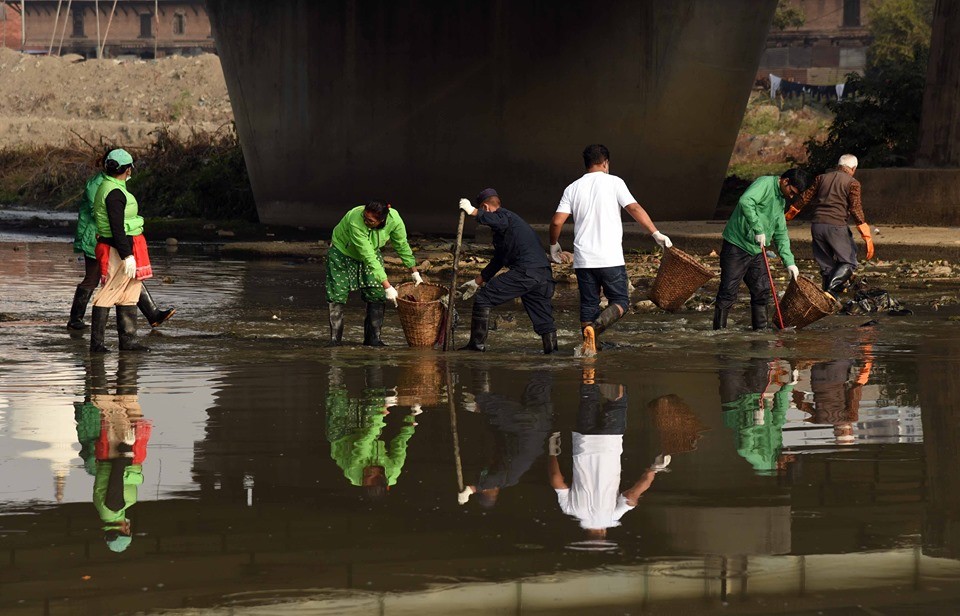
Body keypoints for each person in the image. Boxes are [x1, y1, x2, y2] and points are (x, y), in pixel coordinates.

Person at [549, 144, 672, 356]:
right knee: (621, 301)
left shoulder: (573, 188)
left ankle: (589, 348)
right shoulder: (615, 182)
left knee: (589, 304)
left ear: (586, 163)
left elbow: (557, 221)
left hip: (584, 260)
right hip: (610, 258)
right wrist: (655, 233)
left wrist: (553, 245)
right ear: (606, 162)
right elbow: (633, 208)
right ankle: (595, 330)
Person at [547, 370, 670, 538]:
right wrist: (552, 452)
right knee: (588, 397)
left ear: (604, 533)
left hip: (609, 442)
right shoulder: (570, 510)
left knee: (617, 401)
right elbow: (556, 479)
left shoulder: (613, 517)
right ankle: (590, 366)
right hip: (583, 442)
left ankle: (612, 367)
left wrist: (653, 470)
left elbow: (632, 495)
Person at [68, 155, 175, 331]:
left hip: (108, 236)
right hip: (98, 236)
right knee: (94, 278)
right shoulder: (102, 185)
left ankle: (151, 314)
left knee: (128, 274)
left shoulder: (111, 182)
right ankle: (77, 320)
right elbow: (106, 214)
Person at [457, 189, 558, 354]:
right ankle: (552, 355)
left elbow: (498, 221)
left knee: (483, 298)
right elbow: (499, 259)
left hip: (526, 272)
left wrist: (473, 212)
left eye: (482, 210)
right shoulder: (506, 230)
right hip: (542, 275)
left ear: (485, 207)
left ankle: (476, 346)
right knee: (544, 319)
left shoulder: (505, 216)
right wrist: (478, 281)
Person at [713, 168, 809, 331]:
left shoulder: (781, 200)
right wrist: (758, 228)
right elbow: (746, 201)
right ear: (785, 181)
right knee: (728, 291)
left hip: (757, 250)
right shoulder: (764, 183)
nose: (791, 197)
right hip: (737, 245)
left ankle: (760, 332)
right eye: (791, 192)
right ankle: (718, 333)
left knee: (762, 291)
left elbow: (781, 232)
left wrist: (790, 262)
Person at [326, 201, 421, 346]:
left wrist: (414, 272)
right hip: (342, 251)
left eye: (370, 221)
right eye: (365, 217)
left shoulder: (394, 219)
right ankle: (335, 341)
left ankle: (373, 340)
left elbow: (401, 244)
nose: (366, 221)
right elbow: (367, 255)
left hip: (370, 251)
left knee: (376, 293)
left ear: (382, 220)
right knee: (337, 294)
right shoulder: (355, 219)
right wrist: (388, 286)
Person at [89, 149, 157, 352]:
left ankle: (128, 341)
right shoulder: (115, 193)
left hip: (125, 245)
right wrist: (127, 255)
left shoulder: (111, 187)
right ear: (127, 169)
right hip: (117, 248)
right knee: (109, 291)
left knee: (130, 293)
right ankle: (97, 345)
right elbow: (116, 226)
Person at [457, 371, 554, 507]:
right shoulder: (506, 479)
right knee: (482, 400)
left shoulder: (508, 467)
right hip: (524, 426)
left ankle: (548, 357)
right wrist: (471, 490)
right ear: (488, 491)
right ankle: (478, 362)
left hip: (541, 424)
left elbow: (500, 433)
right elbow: (492, 481)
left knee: (541, 379)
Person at [786, 154, 874, 297]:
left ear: (838, 165)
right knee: (848, 263)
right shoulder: (853, 183)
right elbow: (855, 209)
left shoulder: (821, 178)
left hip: (817, 226)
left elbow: (804, 198)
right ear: (853, 168)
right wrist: (866, 234)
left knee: (827, 267)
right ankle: (830, 291)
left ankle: (829, 302)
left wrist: (788, 215)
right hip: (836, 226)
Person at [326, 365, 418, 501]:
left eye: (365, 477)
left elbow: (364, 441)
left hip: (342, 438)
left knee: (338, 400)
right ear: (384, 478)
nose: (366, 472)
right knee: (375, 400)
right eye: (371, 474)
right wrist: (411, 421)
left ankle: (335, 367)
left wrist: (381, 413)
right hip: (367, 436)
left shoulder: (353, 471)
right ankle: (374, 366)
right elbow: (400, 444)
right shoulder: (393, 472)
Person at [88, 355, 151, 553]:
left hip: (120, 453)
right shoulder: (106, 512)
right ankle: (124, 362)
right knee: (126, 406)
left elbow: (116, 480)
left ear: (125, 530)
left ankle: (105, 364)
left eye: (129, 531)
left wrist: (125, 453)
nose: (129, 527)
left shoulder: (114, 509)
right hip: (113, 456)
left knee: (116, 408)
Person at [719, 357, 796, 474]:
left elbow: (742, 449)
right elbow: (780, 412)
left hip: (734, 406)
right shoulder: (777, 446)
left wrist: (752, 426)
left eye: (789, 457)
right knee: (761, 362)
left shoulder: (760, 461)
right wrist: (789, 386)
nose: (789, 451)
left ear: (782, 466)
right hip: (756, 397)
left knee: (730, 365)